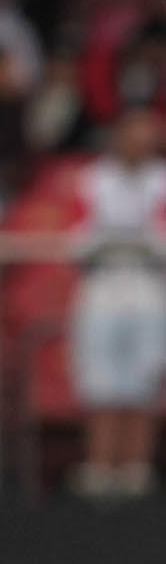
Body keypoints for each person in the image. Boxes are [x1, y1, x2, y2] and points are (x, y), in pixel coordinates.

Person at [69, 108, 166, 498]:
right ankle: (100, 465)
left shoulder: (162, 180)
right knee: (100, 380)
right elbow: (75, 240)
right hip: (103, 286)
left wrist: (137, 238)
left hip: (149, 288)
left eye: (148, 136)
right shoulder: (93, 180)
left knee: (143, 380)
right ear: (118, 137)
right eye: (132, 134)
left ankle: (135, 467)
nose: (139, 143)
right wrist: (116, 238)